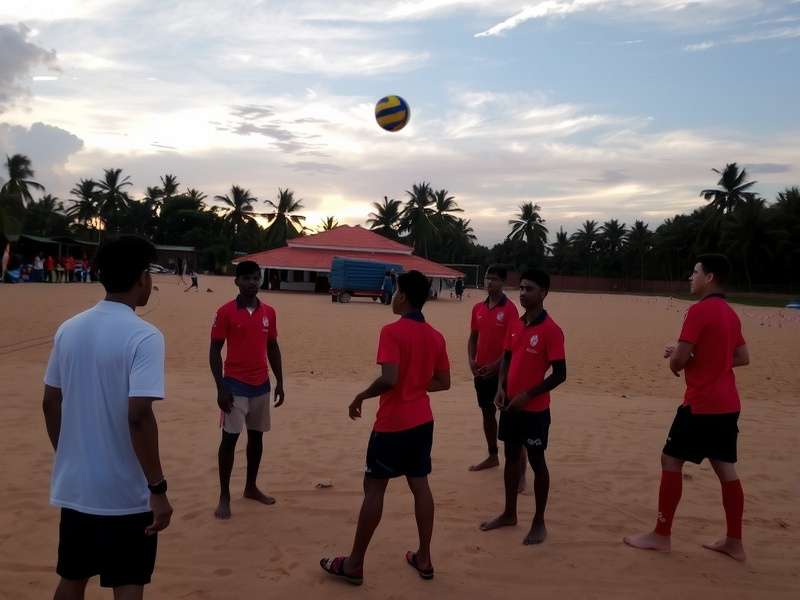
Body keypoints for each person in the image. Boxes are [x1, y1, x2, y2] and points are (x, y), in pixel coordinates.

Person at [42, 235, 173, 600]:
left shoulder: (69, 328)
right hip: (126, 492)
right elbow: (139, 416)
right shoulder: (145, 336)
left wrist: (69, 454)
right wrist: (158, 489)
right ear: (141, 278)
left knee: (72, 577)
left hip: (77, 486)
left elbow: (50, 402)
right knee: (128, 581)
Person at [320, 270, 450, 586]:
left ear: (402, 296)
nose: (393, 296)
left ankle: (354, 564)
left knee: (375, 488)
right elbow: (443, 382)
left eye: (395, 291)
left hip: (393, 424)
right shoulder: (435, 336)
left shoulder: (392, 331)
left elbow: (390, 379)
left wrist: (361, 395)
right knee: (420, 486)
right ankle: (424, 557)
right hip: (422, 421)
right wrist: (416, 384)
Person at [624, 254, 749, 561]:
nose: (691, 277)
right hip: (728, 403)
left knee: (670, 459)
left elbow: (679, 361)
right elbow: (742, 356)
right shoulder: (730, 313)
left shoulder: (699, 310)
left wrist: (676, 357)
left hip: (701, 404)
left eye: (695, 272)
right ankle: (734, 541)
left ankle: (661, 535)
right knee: (725, 467)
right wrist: (706, 360)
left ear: (710, 277)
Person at [480, 269, 566, 545]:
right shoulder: (516, 324)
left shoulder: (551, 330)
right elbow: (507, 357)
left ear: (544, 293)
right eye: (522, 288)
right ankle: (509, 513)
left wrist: (528, 395)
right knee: (511, 458)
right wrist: (501, 387)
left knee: (538, 462)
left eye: (530, 289)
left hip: (535, 410)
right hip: (510, 407)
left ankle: (539, 521)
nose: (523, 293)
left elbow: (560, 374)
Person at [210, 260, 285, 519]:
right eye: (247, 278)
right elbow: (214, 350)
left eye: (256, 278)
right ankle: (224, 496)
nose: (252, 283)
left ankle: (251, 487)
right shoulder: (225, 312)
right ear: (237, 281)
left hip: (261, 386)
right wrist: (220, 387)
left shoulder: (269, 312)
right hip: (234, 387)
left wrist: (280, 382)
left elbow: (272, 347)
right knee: (229, 440)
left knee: (256, 439)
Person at [467, 265, 520, 472]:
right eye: (488, 278)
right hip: (481, 373)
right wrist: (472, 360)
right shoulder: (478, 308)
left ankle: (514, 462)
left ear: (503, 282)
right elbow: (473, 337)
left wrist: (496, 365)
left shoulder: (510, 309)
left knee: (508, 417)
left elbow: (513, 345)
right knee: (487, 414)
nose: (489, 282)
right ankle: (492, 455)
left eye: (495, 279)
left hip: (503, 373)